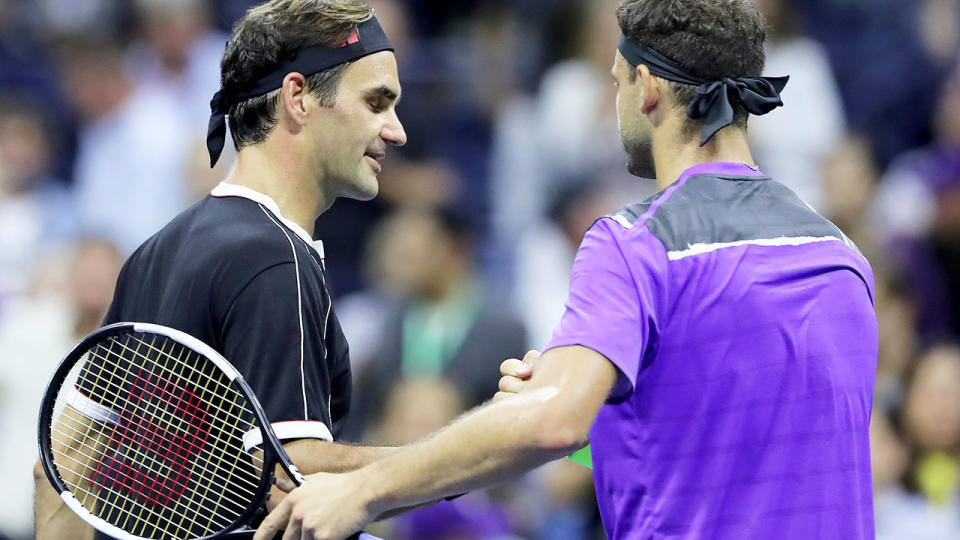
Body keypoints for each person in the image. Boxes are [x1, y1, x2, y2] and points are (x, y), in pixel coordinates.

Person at [254, 1, 879, 538]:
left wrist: (362, 490)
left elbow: (551, 423)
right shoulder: (843, 255)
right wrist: (605, 418)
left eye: (615, 84)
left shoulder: (635, 244)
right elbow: (733, 445)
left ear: (648, 87)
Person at [33, 1, 407, 538]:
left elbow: (59, 464)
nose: (395, 131)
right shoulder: (274, 257)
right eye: (376, 103)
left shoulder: (155, 250)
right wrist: (462, 457)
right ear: (298, 97)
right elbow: (290, 471)